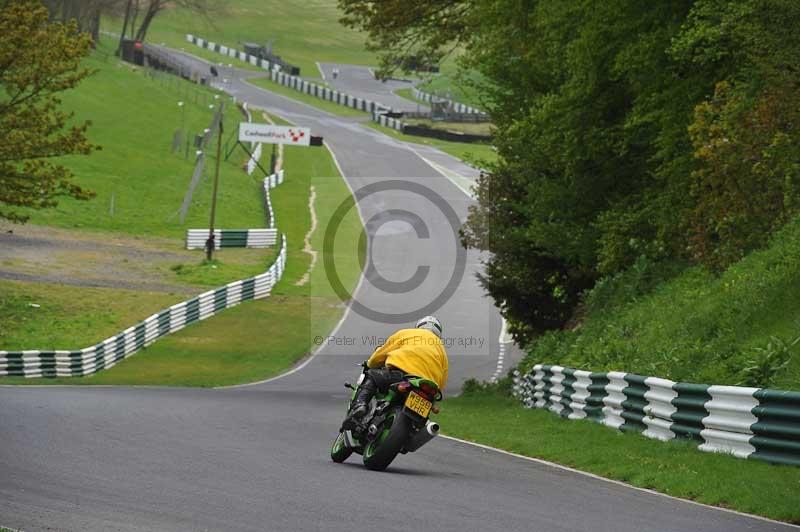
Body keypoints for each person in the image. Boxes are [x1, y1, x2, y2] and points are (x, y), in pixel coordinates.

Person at [342, 316, 449, 429]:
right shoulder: (442, 350)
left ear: (419, 326)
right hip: (428, 387)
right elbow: (442, 381)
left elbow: (380, 355)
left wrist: (370, 364)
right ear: (438, 334)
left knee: (373, 376)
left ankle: (360, 405)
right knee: (420, 425)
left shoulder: (407, 333)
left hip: (402, 375)